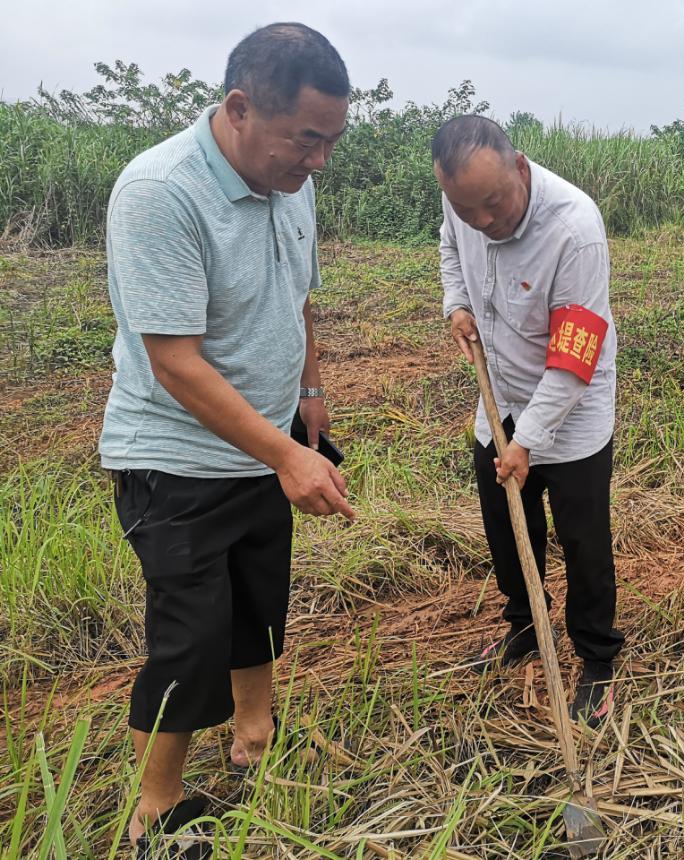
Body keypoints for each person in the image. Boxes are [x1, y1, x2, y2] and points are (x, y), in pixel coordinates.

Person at [97, 22, 354, 857]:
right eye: (306, 139)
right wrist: (286, 456)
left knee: (258, 605)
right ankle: (155, 813)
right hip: (176, 459)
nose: (318, 161)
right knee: (190, 642)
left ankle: (254, 735)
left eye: (330, 141)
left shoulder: (292, 182)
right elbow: (173, 361)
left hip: (263, 443)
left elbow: (301, 294)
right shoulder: (160, 192)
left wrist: (306, 399)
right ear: (239, 108)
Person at [433, 115, 624, 730]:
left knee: (583, 540)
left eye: (495, 203)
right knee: (506, 530)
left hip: (570, 414)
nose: (484, 221)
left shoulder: (574, 229)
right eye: (470, 209)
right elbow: (448, 246)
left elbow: (572, 363)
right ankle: (523, 625)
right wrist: (457, 304)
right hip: (501, 399)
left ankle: (597, 659)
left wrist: (530, 443)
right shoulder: (461, 200)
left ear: (520, 168)